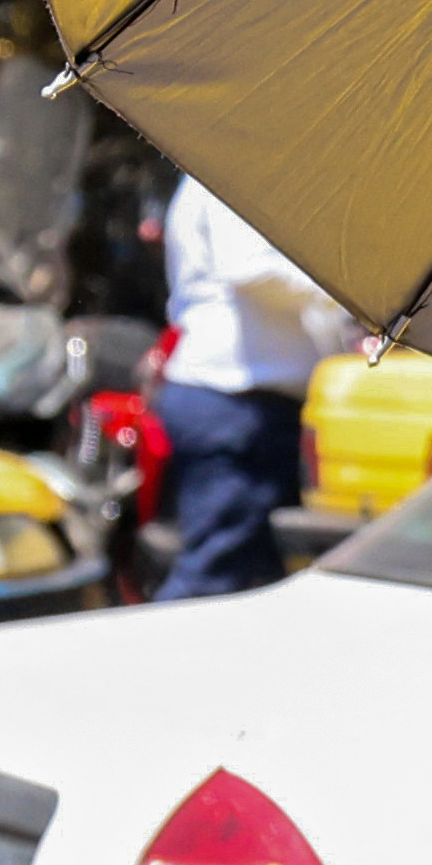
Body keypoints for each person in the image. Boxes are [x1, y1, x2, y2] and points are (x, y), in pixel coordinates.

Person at [146, 172, 344, 598]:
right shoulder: (227, 177)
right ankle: (158, 661)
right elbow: (248, 268)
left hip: (246, 401)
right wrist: (341, 288)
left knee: (255, 577)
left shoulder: (221, 174)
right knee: (219, 571)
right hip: (235, 401)